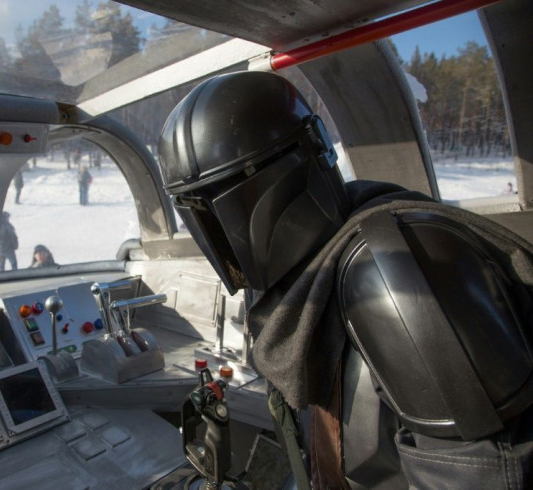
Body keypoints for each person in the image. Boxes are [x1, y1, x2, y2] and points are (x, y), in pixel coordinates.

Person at [156, 71, 533, 488]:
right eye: (193, 210)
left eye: (222, 197)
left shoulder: (393, 275)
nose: (219, 236)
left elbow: (486, 473)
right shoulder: (302, 276)